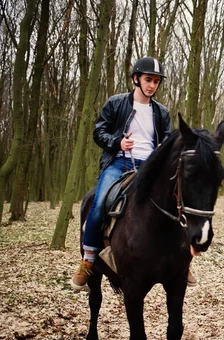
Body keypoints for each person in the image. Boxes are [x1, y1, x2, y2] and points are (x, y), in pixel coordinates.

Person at [71, 57, 198, 289]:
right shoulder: (115, 103)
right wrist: (118, 142)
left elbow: (167, 139)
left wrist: (163, 150)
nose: (152, 85)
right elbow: (99, 132)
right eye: (148, 79)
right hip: (119, 163)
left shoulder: (161, 112)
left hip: (150, 167)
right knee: (99, 204)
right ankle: (89, 260)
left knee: (178, 203)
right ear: (136, 79)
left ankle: (183, 261)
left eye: (156, 81)